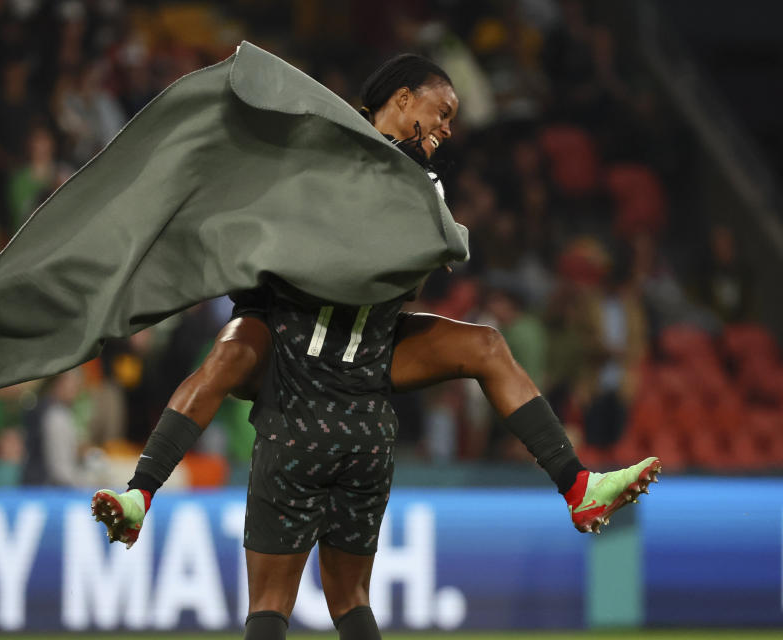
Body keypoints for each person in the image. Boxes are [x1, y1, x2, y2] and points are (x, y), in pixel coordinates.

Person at [91, 54, 660, 639]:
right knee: (233, 350)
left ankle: (577, 485)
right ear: (405, 98)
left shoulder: (425, 185)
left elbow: (411, 281)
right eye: (442, 112)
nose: (447, 129)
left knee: (486, 345)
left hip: (360, 350)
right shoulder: (321, 143)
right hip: (292, 342)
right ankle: (141, 492)